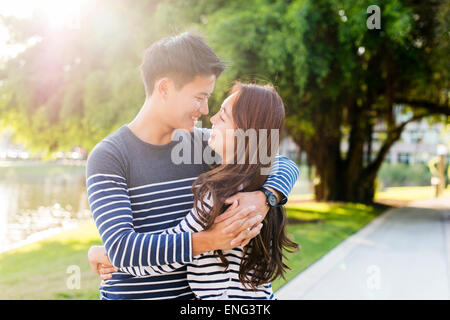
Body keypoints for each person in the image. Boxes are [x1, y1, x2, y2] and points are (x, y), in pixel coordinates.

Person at [86, 32, 299, 300]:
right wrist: (212, 240)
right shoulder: (110, 156)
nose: (206, 109)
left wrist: (265, 197)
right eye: (199, 97)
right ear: (164, 88)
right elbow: (123, 251)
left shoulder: (203, 145)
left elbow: (272, 160)